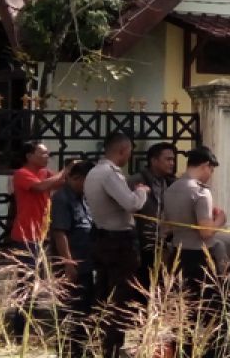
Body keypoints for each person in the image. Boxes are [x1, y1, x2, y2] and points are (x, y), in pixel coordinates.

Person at [84, 131, 149, 358]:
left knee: (103, 294)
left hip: (102, 237)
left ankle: (97, 344)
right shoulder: (110, 174)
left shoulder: (93, 172)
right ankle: (112, 348)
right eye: (129, 152)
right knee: (121, 296)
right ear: (122, 150)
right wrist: (141, 192)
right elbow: (131, 204)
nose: (129, 156)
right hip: (118, 242)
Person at [164, 146, 228, 358]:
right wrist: (220, 219)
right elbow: (206, 232)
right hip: (200, 258)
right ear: (205, 166)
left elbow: (167, 226)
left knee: (183, 312)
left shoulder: (171, 189)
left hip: (177, 255)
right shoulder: (200, 192)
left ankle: (184, 353)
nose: (210, 175)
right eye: (211, 170)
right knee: (213, 314)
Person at [10, 140, 68, 337]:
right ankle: (20, 328)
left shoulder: (44, 172)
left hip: (41, 236)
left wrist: (70, 173)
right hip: (26, 236)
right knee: (26, 283)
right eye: (43, 154)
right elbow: (41, 187)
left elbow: (59, 183)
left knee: (37, 282)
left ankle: (30, 323)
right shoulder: (21, 174)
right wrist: (65, 170)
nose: (47, 157)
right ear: (29, 156)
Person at [51, 160, 96, 357]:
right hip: (71, 265)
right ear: (77, 178)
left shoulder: (82, 197)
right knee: (69, 311)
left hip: (85, 263)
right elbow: (60, 232)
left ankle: (81, 349)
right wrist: (68, 263)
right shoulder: (62, 198)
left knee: (85, 310)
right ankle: (67, 351)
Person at [131, 141, 177, 287]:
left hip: (166, 244)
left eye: (173, 159)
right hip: (142, 244)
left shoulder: (172, 183)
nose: (172, 163)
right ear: (154, 160)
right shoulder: (135, 181)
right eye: (168, 159)